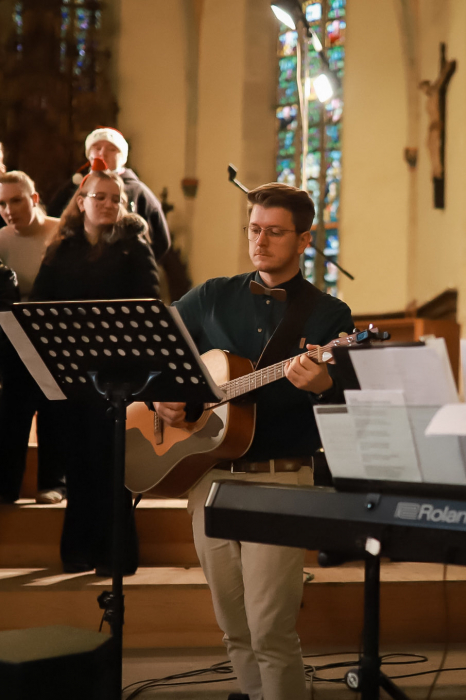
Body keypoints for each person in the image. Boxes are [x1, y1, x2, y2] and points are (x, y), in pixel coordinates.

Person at [154, 183, 353, 700]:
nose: (260, 241)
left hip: (280, 480)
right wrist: (160, 396)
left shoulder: (329, 315)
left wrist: (323, 384)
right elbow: (157, 346)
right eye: (254, 229)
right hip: (209, 477)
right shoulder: (212, 296)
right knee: (234, 627)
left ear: (304, 239)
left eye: (275, 232)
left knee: (270, 629)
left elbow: (349, 402)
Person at [31, 159, 160, 574]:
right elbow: (39, 307)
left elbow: (149, 306)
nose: (108, 204)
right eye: (99, 197)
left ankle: (114, 555)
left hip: (118, 376)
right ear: (81, 201)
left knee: (110, 464)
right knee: (78, 462)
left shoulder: (133, 246)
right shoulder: (61, 248)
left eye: (116, 199)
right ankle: (78, 550)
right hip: (73, 374)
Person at [0, 171, 66, 504]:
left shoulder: (60, 232)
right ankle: (6, 487)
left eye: (16, 201)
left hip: (56, 333)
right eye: (2, 204)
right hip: (13, 335)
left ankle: (53, 483)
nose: (8, 210)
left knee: (53, 409)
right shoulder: (1, 239)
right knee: (12, 411)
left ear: (34, 199)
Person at [48, 126, 171, 261]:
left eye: (112, 149)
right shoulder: (73, 187)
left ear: (123, 158)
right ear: (89, 154)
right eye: (97, 148)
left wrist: (139, 262)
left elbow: (161, 240)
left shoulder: (138, 191)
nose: (103, 153)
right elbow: (53, 225)